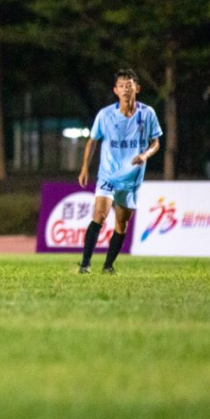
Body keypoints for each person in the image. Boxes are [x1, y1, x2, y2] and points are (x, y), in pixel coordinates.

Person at [77, 68, 162, 274]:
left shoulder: (147, 113)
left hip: (131, 179)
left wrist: (145, 155)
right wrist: (84, 168)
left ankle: (108, 266)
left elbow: (156, 143)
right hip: (108, 175)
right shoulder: (105, 115)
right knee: (99, 214)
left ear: (137, 88)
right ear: (115, 90)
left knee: (121, 225)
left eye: (129, 85)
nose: (126, 89)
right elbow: (92, 142)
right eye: (122, 86)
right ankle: (85, 264)